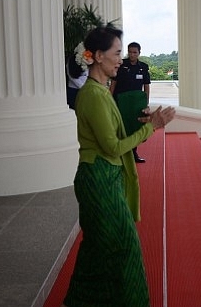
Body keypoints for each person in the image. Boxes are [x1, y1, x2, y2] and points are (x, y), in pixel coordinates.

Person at [63, 26, 175, 307]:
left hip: (104, 175)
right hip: (99, 179)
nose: (121, 60)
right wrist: (153, 129)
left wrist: (144, 120)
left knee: (97, 248)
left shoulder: (99, 93)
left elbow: (114, 134)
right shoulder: (94, 95)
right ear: (98, 56)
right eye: (116, 54)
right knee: (125, 247)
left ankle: (80, 300)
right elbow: (112, 147)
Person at [110, 42, 152, 163]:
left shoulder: (143, 67)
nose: (132, 55)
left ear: (139, 53)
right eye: (130, 52)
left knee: (134, 127)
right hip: (121, 101)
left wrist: (146, 103)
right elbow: (113, 83)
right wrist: (110, 99)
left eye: (135, 52)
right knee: (121, 127)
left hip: (136, 104)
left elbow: (146, 86)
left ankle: (133, 153)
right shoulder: (121, 65)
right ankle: (119, 153)